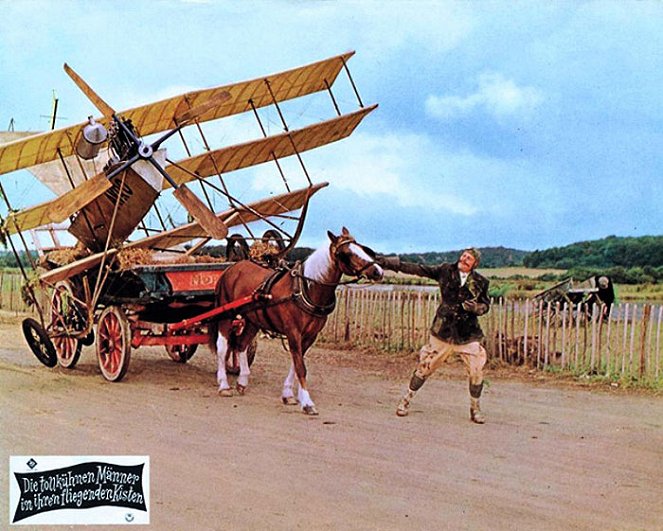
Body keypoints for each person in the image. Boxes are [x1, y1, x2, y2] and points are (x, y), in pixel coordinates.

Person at [378, 248, 490, 423]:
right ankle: (406, 400)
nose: (464, 259)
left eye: (469, 258)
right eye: (464, 255)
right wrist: (393, 264)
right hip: (443, 331)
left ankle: (475, 408)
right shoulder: (445, 270)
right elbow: (420, 269)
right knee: (426, 367)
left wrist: (477, 308)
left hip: (467, 334)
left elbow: (485, 305)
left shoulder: (481, 282)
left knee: (477, 371)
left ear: (475, 263)